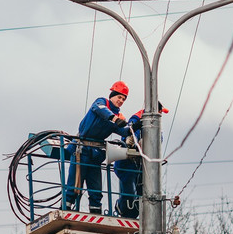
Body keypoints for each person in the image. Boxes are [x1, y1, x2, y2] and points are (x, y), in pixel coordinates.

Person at [64, 81, 132, 214]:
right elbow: (99, 109)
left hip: (95, 154)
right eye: (119, 97)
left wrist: (134, 127)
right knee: (74, 184)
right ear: (112, 95)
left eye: (123, 99)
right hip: (81, 150)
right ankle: (66, 208)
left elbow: (123, 131)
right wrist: (114, 119)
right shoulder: (102, 103)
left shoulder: (117, 116)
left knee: (95, 187)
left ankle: (95, 211)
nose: (121, 100)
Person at [113, 102, 168, 219]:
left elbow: (158, 140)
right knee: (129, 193)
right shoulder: (137, 119)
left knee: (141, 193)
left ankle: (133, 214)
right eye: (159, 112)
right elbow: (130, 133)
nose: (160, 115)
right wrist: (134, 141)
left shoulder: (155, 126)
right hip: (127, 163)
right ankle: (123, 209)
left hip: (138, 165)